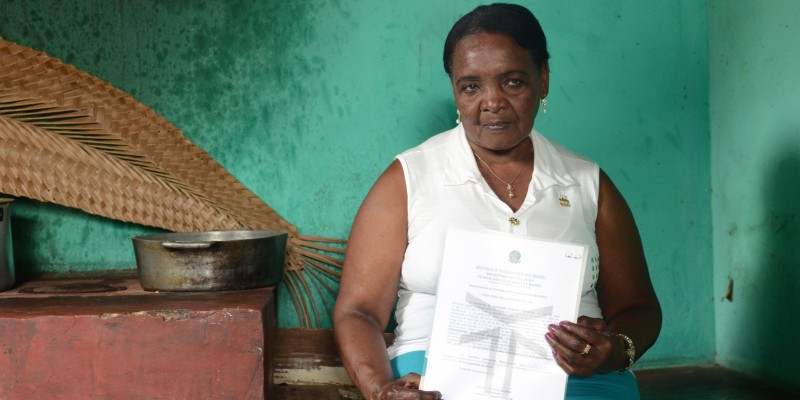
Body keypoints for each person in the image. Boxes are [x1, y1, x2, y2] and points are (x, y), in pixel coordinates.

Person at [333, 3, 662, 399]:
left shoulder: (586, 182)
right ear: (455, 88)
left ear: (543, 79)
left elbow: (639, 308)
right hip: (434, 376)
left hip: (573, 378)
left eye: (512, 82)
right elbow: (359, 311)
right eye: (471, 86)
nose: (492, 102)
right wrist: (380, 389)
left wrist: (614, 349)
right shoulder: (410, 178)